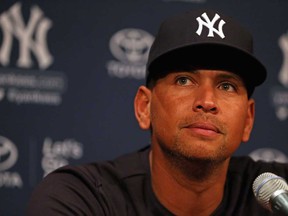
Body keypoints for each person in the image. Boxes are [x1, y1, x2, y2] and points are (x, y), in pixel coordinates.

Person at [27, 8, 288, 216]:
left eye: (227, 85)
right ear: (144, 107)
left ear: (248, 120)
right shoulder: (83, 198)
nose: (207, 101)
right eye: (184, 80)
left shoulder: (280, 195)